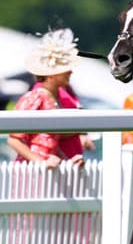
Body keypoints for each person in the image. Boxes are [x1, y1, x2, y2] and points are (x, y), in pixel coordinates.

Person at [7, 28, 86, 171]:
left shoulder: (56, 99)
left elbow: (52, 142)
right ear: (51, 74)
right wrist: (40, 162)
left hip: (46, 172)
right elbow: (14, 139)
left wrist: (68, 162)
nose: (70, 72)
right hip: (30, 171)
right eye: (65, 69)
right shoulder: (34, 97)